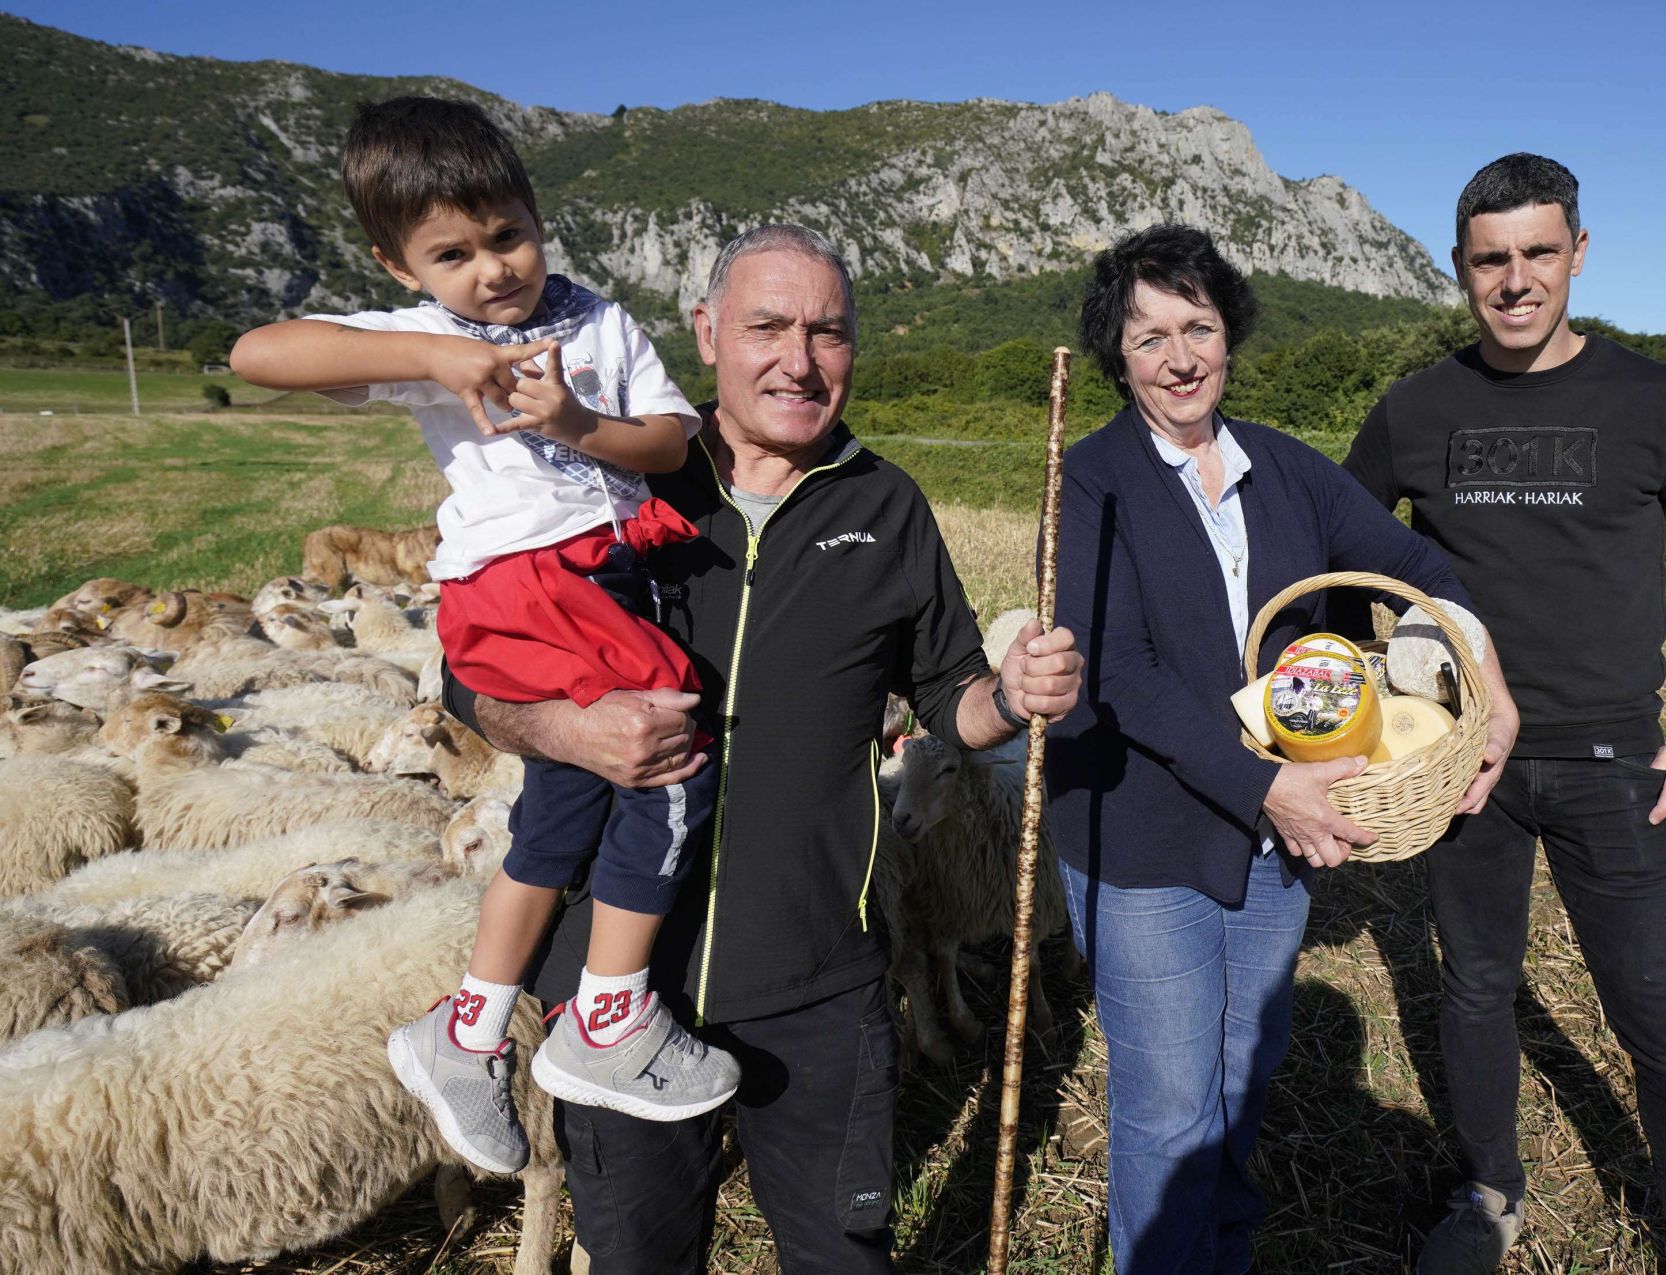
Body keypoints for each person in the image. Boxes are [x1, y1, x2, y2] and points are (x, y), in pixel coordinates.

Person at [440, 223, 1085, 1273]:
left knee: (842, 1254)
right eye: (768, 326)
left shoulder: (887, 507)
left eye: (828, 332)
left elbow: (948, 696)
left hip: (821, 980)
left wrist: (1010, 697)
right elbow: (470, 678)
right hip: (621, 989)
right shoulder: (607, 475)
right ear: (705, 335)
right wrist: (562, 727)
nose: (799, 359)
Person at [229, 96, 738, 1177]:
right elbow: (258, 351)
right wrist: (440, 358)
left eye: (506, 236)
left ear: (535, 216)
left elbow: (662, 440)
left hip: (600, 578)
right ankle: (608, 1018)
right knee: (676, 754)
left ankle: (467, 1027)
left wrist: (572, 424)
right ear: (400, 264)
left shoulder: (596, 321)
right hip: (526, 585)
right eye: (451, 255)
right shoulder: (430, 340)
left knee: (558, 805)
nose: (491, 271)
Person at [1342, 153, 1666, 1275]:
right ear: (1459, 269)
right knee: (1475, 987)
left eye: (1539, 252)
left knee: (1664, 1025)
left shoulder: (1660, 401)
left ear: (1578, 254)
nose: (1516, 280)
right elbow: (1343, 568)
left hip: (1615, 766)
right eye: (1491, 259)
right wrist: (1366, 716)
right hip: (1463, 769)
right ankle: (1490, 1194)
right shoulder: (1415, 409)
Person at [1046, 224, 1519, 1275]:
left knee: (1236, 1091)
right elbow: (1116, 672)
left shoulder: (1286, 471)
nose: (1180, 356)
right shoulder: (1091, 484)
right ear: (1117, 354)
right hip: (1147, 842)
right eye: (1151, 334)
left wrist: (1481, 674)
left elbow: (1411, 561)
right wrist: (1268, 788)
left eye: (1199, 327)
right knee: (1169, 1117)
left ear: (1231, 334)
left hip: (1273, 853)